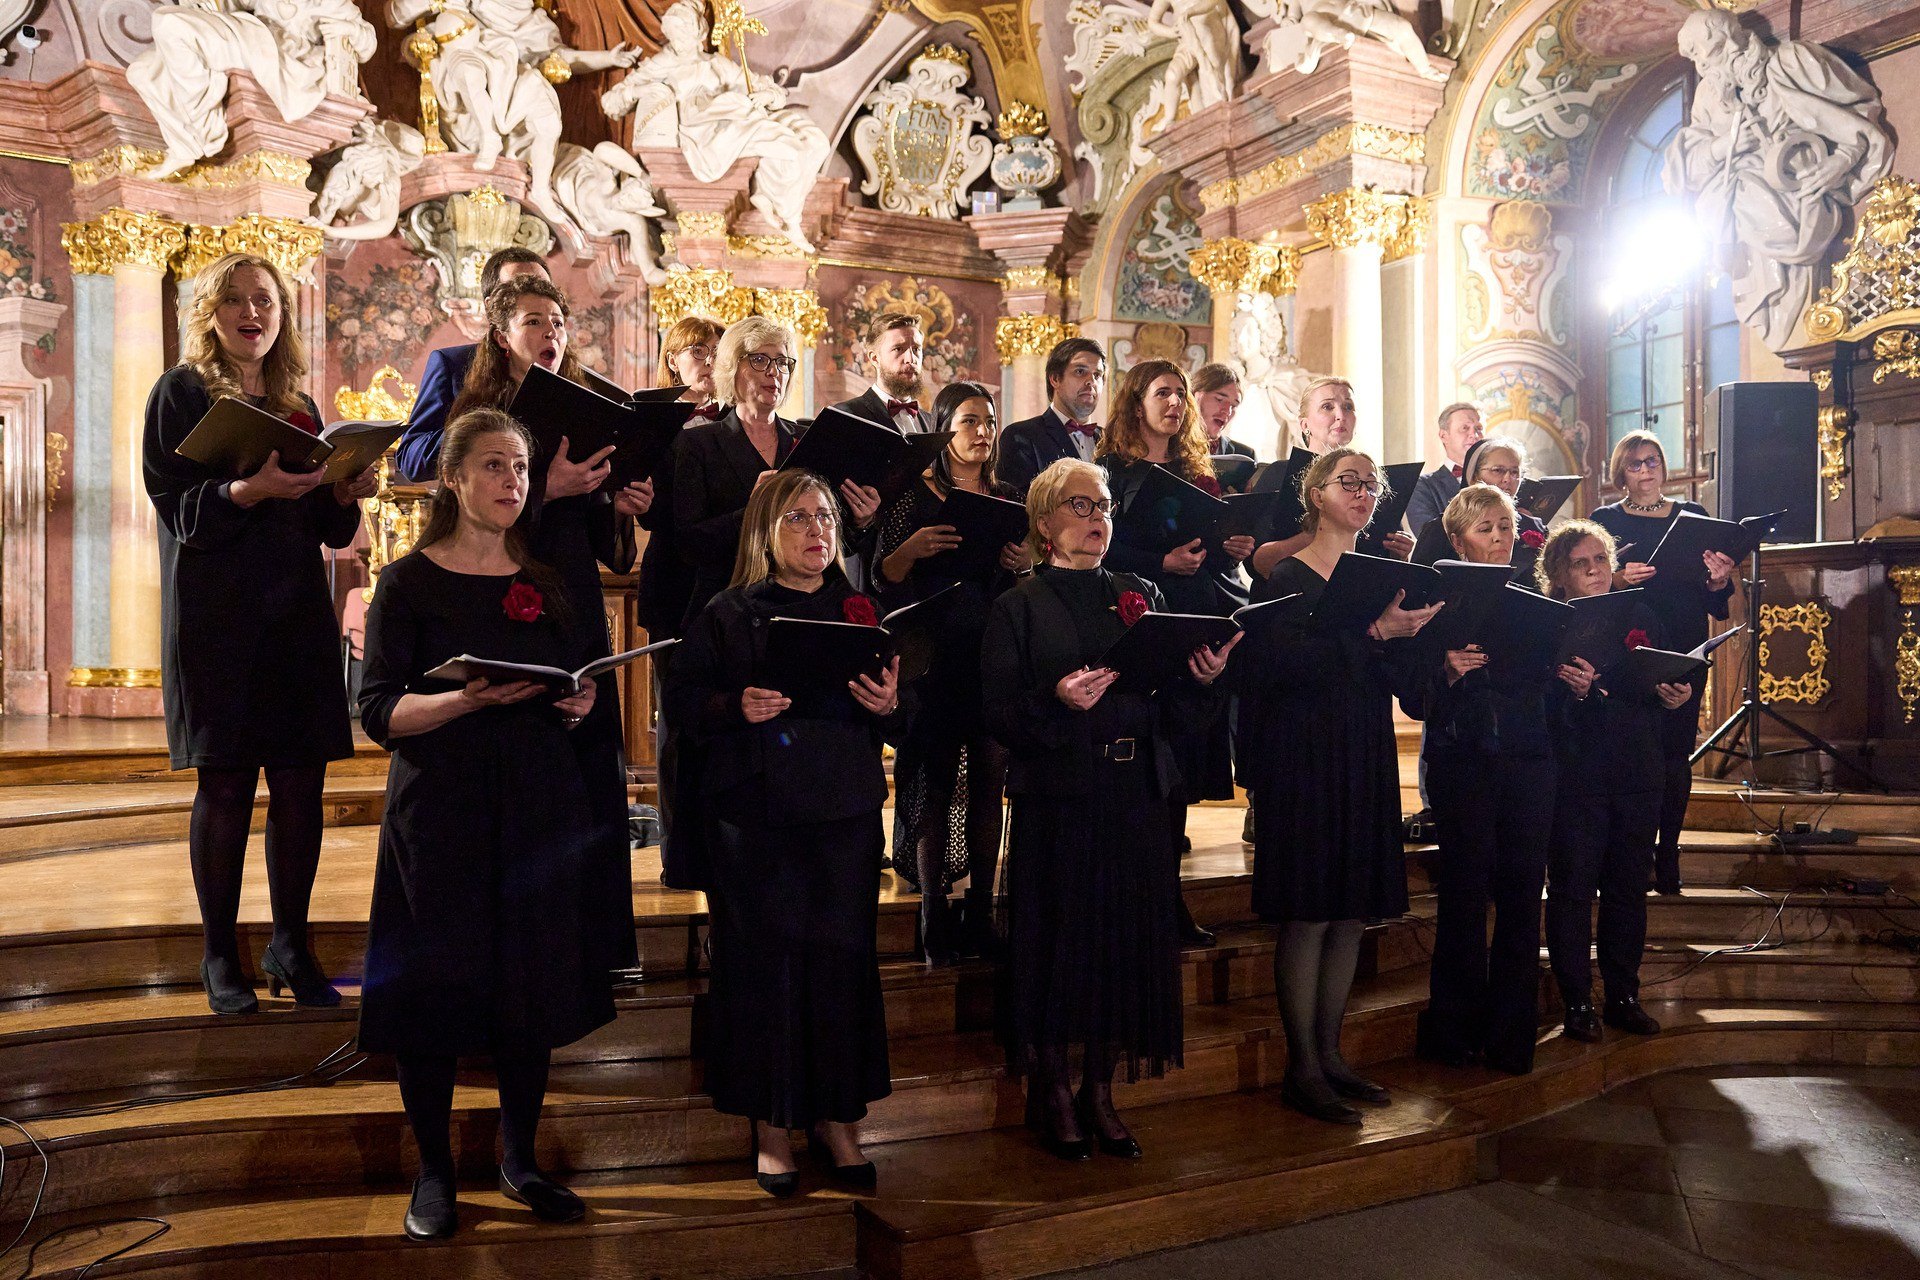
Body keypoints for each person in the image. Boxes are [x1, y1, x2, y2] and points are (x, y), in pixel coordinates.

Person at [357, 408, 608, 1241]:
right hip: (442, 808)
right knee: (432, 989)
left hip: (536, 802)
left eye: (522, 468)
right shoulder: (406, 583)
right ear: (454, 478)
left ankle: (520, 1160)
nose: (513, 482)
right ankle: (434, 1171)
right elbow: (378, 710)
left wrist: (578, 701)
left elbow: (575, 686)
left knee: (526, 988)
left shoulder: (546, 581)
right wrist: (462, 700)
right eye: (496, 466)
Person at [143, 252, 379, 1016]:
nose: (253, 313)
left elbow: (325, 528)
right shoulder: (180, 393)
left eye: (266, 301)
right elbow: (174, 507)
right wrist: (248, 490)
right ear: (210, 311)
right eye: (237, 300)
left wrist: (343, 490)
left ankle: (290, 944)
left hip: (293, 615)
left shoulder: (298, 406)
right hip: (216, 617)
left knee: (302, 782)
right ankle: (219, 953)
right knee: (226, 782)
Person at [982, 458, 1238, 1160]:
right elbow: (998, 714)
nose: (1097, 518)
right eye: (1080, 506)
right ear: (1044, 523)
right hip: (1061, 795)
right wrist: (1056, 700)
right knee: (1062, 942)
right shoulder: (1018, 606)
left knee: (1124, 942)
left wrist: (1201, 681)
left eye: (1103, 507)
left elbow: (1170, 710)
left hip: (1136, 794)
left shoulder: (1138, 591)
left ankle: (1100, 1088)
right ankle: (1055, 1090)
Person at [664, 469, 903, 1196]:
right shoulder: (729, 611)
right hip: (756, 816)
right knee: (762, 967)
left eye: (825, 516)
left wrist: (891, 704)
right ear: (766, 531)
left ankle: (839, 1120)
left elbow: (903, 706)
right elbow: (682, 702)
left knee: (842, 963)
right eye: (798, 518)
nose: (816, 530)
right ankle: (771, 1128)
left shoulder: (862, 610)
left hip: (844, 810)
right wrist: (734, 705)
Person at [444, 275, 652, 983]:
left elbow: (607, 549)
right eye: (534, 321)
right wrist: (546, 488)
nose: (551, 333)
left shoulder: (583, 408)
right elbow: (465, 519)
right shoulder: (482, 417)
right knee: (527, 772)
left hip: (574, 601)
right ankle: (526, 945)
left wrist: (620, 506)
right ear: (502, 335)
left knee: (594, 772)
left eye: (558, 321)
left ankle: (603, 947)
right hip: (504, 594)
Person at [1240, 448, 1440, 1123]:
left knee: (1351, 910)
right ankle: (1302, 1066)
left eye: (1370, 484)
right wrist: (1374, 632)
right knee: (1310, 910)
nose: (1362, 492)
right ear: (1315, 494)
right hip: (1301, 756)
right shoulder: (1285, 576)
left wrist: (1422, 645)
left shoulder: (1381, 578)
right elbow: (1278, 667)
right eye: (1347, 481)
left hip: (1363, 752)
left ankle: (1330, 1055)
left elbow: (1399, 678)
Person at [1399, 483, 1593, 1076]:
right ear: (1458, 541)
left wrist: (1576, 686)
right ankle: (1454, 1031)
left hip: (1532, 763)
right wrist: (1446, 671)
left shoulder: (1537, 601)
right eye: (1485, 528)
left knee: (1520, 899)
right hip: (1465, 764)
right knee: (1464, 898)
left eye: (1506, 526)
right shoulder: (1435, 605)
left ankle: (1512, 1038)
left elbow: (1553, 695)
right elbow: (1412, 698)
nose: (1500, 537)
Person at [872, 381, 1028, 961]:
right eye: (969, 421)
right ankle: (932, 912)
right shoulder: (914, 494)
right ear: (944, 428)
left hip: (990, 654)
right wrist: (911, 549)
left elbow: (1020, 580)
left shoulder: (1008, 496)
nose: (983, 432)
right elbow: (882, 576)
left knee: (989, 781)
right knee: (935, 782)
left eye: (989, 421)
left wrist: (1023, 562)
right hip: (932, 657)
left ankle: (981, 909)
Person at [1097, 360, 1252, 938]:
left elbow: (1209, 555)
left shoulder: (1196, 471)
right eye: (1162, 392)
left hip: (1191, 616)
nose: (1174, 403)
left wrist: (1230, 550)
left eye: (1181, 394)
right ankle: (1127, 901)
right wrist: (1159, 561)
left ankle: (1168, 899)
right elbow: (1096, 548)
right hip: (1133, 617)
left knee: (1178, 764)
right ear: (1136, 401)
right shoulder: (1110, 471)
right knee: (1139, 766)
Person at [1536, 521, 1688, 1043]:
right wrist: (1577, 696)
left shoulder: (1641, 613)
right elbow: (1542, 708)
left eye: (1600, 559)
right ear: (1559, 575)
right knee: (1573, 891)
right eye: (1581, 564)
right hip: (1577, 775)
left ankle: (1623, 996)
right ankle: (1577, 1001)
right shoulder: (1551, 624)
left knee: (1627, 891)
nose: (1595, 570)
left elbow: (1668, 674)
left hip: (1638, 769)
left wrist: (1675, 695)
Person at [1588, 431, 1736, 895]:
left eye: (1653, 460)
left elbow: (1715, 598)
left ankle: (1667, 854)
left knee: (1675, 754)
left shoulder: (1693, 517)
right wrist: (1617, 577)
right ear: (1621, 473)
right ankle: (1624, 856)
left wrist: (1718, 581)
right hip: (1626, 647)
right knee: (1627, 750)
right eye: (1635, 463)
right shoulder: (1604, 520)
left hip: (1684, 647)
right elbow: (1585, 579)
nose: (1646, 470)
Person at [638, 315, 725, 860]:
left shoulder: (741, 420)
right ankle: (678, 844)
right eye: (698, 350)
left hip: (728, 584)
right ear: (673, 359)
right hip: (674, 583)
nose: (710, 360)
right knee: (677, 719)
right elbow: (647, 510)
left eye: (718, 350)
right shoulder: (654, 421)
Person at [395, 247, 551, 482]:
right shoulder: (453, 365)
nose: (533, 296)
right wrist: (475, 433)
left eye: (542, 287)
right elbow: (411, 460)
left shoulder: (574, 378)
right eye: (516, 288)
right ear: (491, 306)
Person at [1250, 376, 1413, 579]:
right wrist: (1321, 535)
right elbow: (1253, 557)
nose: (1340, 415)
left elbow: (1379, 556)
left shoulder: (1371, 480)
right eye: (1327, 407)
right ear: (1304, 424)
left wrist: (1400, 554)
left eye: (1348, 407)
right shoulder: (1278, 474)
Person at [1411, 436, 1546, 583]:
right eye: (1498, 470)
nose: (1508, 479)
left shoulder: (1534, 527)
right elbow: (1419, 584)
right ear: (1474, 475)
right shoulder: (1440, 529)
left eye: (1515, 472)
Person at [995, 337, 1106, 494]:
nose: (1091, 381)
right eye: (1080, 371)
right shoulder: (1020, 436)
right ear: (1055, 379)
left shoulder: (1111, 441)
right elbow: (1017, 503)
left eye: (1097, 375)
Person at [832, 311, 935, 433]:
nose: (911, 359)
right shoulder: (845, 416)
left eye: (916, 349)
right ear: (875, 358)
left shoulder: (932, 422)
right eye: (898, 349)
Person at [1404, 402, 1484, 535]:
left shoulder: (1500, 479)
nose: (1474, 435)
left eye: (1479, 428)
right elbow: (1428, 535)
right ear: (1444, 436)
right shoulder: (1422, 486)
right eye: (1465, 428)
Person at [1192, 362, 1255, 481]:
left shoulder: (1245, 455)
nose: (1227, 411)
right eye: (1219, 399)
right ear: (1195, 396)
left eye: (1234, 406)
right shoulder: (1168, 447)